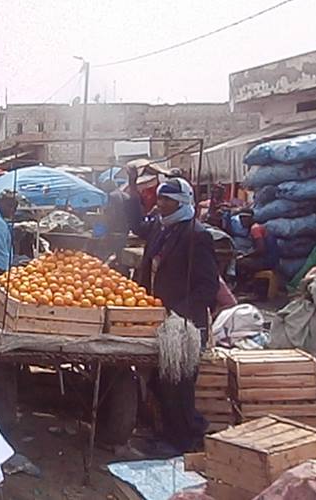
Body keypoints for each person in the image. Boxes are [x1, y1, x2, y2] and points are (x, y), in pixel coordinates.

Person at [126, 167, 218, 454]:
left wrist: (177, 313)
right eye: (160, 200)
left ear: (183, 202)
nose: (161, 205)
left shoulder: (197, 235)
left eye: (168, 201)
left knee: (179, 384)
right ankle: (169, 432)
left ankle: (184, 441)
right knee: (159, 380)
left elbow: (207, 287)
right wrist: (131, 187)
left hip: (183, 324)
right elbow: (136, 224)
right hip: (158, 318)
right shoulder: (161, 227)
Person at [231, 209, 279, 281]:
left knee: (238, 263)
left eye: (245, 218)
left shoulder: (255, 229)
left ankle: (242, 286)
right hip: (270, 260)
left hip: (267, 261)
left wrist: (245, 255)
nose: (242, 220)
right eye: (241, 218)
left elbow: (261, 249)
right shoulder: (255, 228)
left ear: (251, 218)